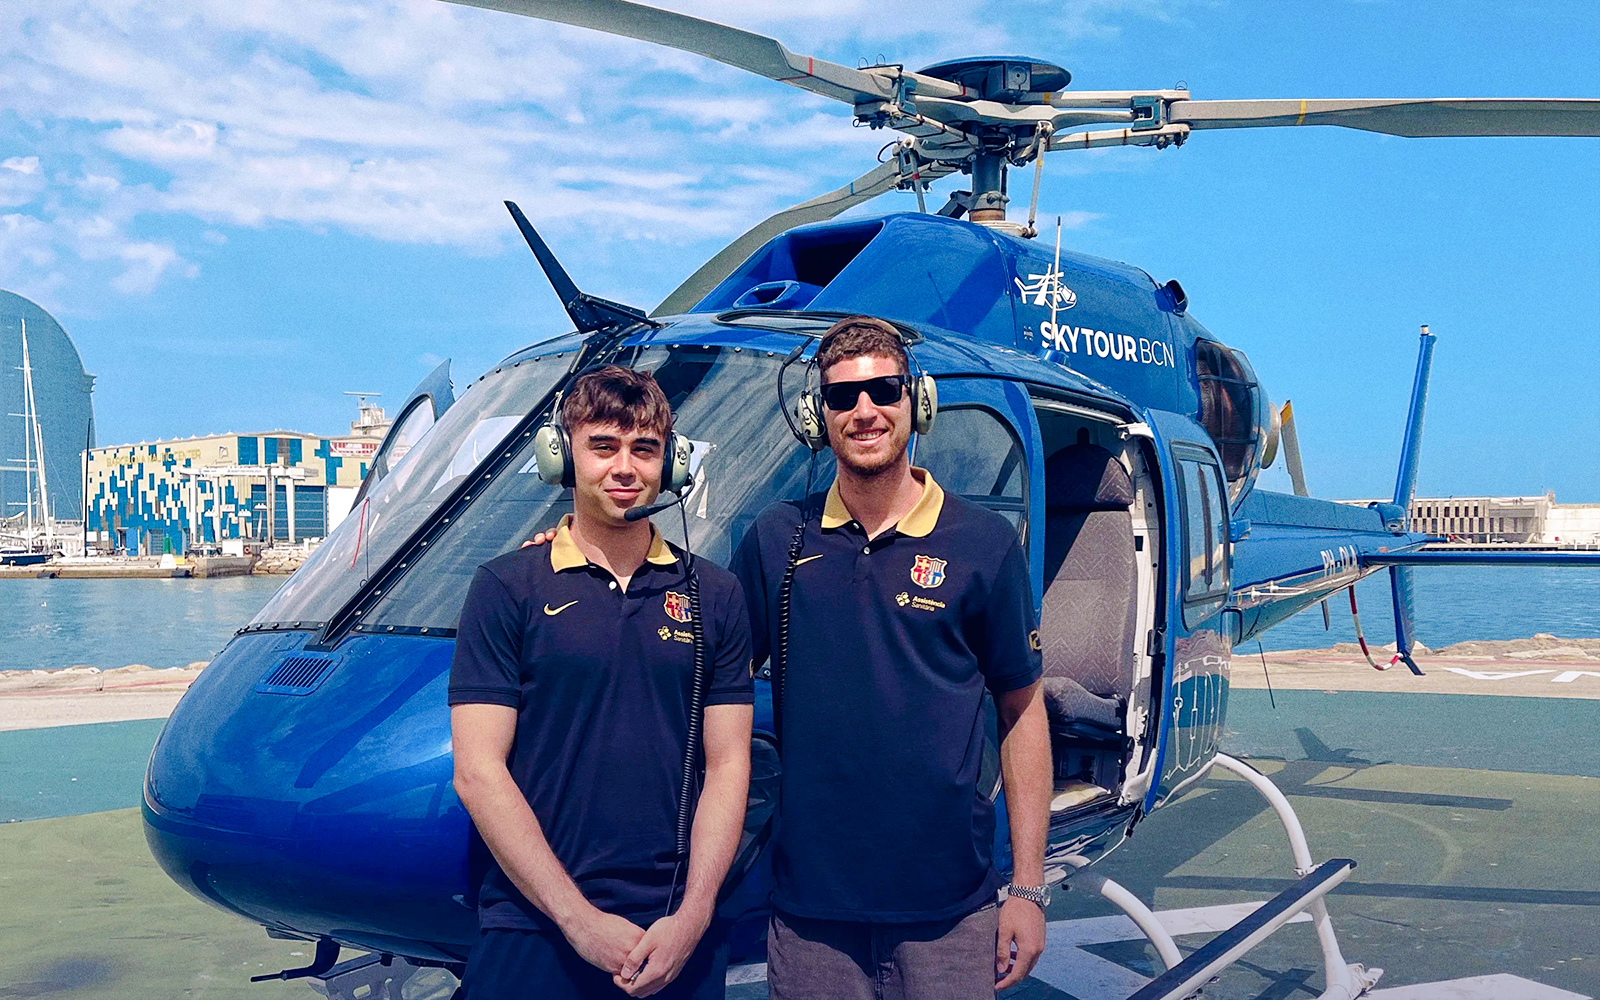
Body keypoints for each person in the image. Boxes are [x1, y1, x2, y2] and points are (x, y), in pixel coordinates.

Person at [730, 316, 1053, 998]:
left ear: (918, 402)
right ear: (821, 417)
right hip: (812, 914)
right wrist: (586, 544)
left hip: (950, 911)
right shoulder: (776, 542)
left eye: (884, 390)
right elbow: (703, 660)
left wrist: (1026, 887)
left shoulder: (983, 544)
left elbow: (1022, 712)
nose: (865, 410)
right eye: (843, 397)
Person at [449, 365, 754, 999]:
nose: (624, 467)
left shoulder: (716, 595)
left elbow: (728, 767)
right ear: (562, 456)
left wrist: (694, 915)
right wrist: (577, 920)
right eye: (603, 446)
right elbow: (479, 772)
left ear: (669, 463)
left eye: (644, 449)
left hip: (675, 933)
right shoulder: (507, 587)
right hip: (534, 925)